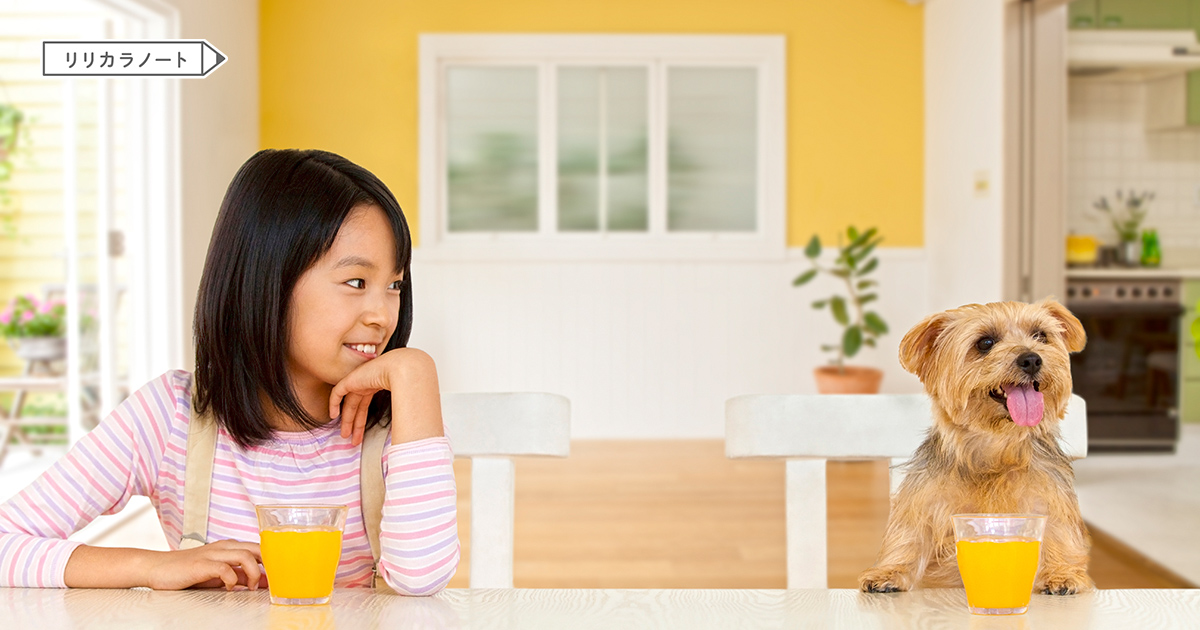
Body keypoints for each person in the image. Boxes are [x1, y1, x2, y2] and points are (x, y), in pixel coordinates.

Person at [0, 149, 459, 595]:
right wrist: (152, 566)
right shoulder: (171, 417)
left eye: (394, 285)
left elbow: (420, 578)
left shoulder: (396, 425)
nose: (383, 314)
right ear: (267, 281)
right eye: (356, 283)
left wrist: (417, 373)